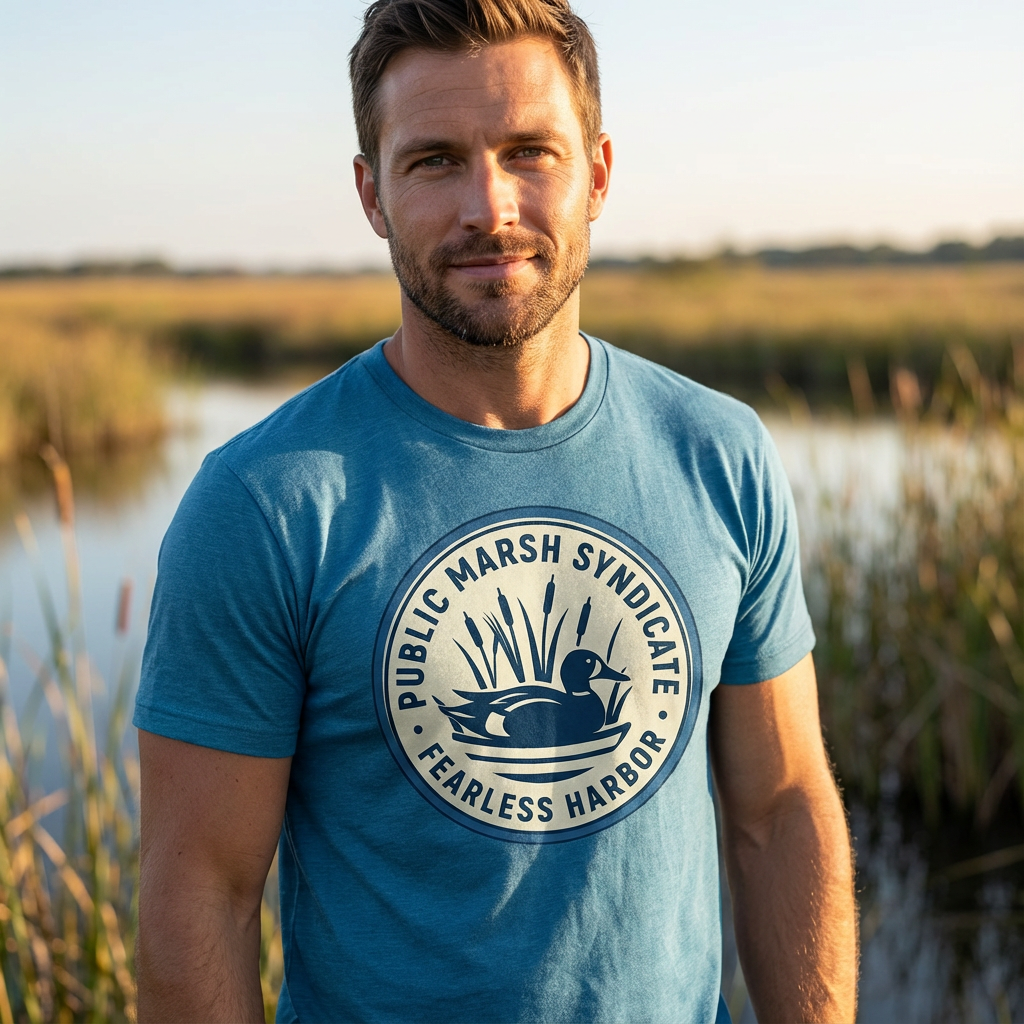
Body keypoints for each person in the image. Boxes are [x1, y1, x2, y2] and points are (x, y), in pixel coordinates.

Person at [134, 1, 858, 1021]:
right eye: (433, 160)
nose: (490, 207)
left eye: (530, 151)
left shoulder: (718, 452)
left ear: (598, 173)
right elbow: (197, 897)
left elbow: (780, 810)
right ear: (370, 194)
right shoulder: (264, 502)